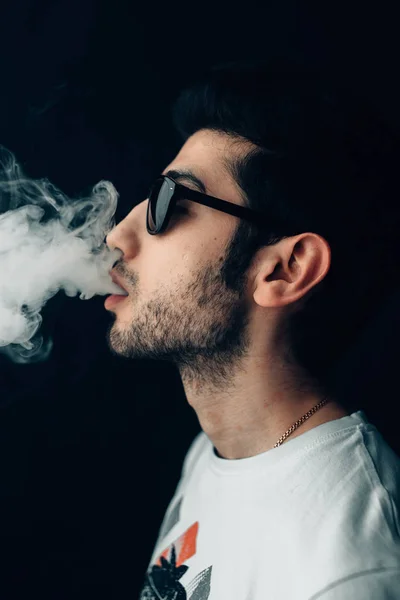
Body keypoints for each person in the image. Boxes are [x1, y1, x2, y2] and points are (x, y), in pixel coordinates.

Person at [105, 60, 400, 599]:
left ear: (285, 270)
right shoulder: (214, 453)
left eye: (171, 203)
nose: (118, 236)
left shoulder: (346, 571)